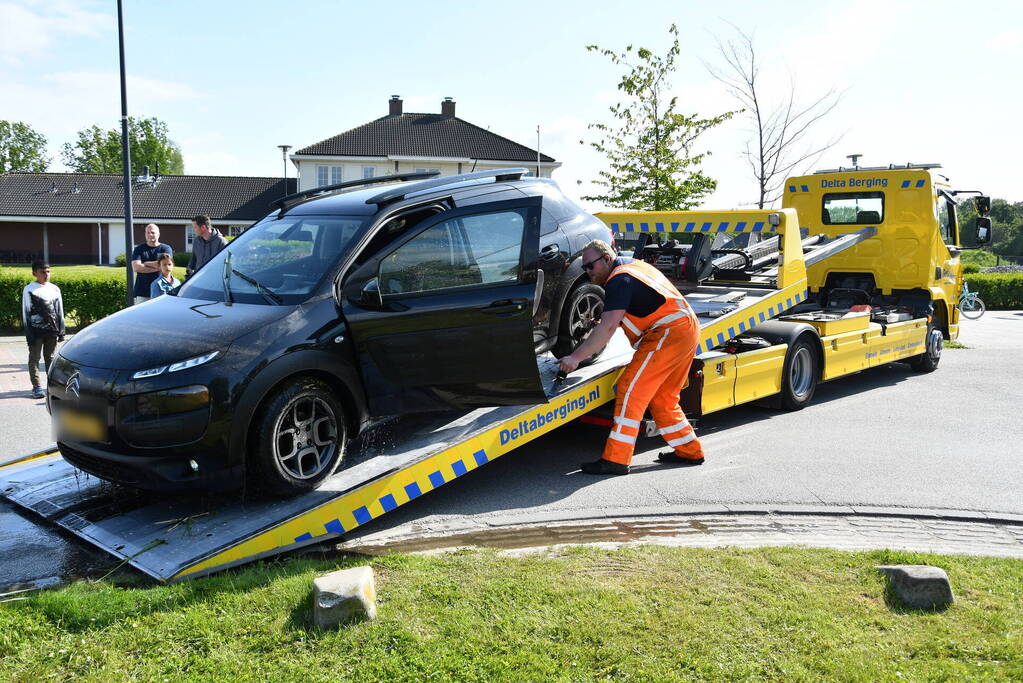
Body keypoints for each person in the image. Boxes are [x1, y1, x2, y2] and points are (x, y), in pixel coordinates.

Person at [559, 239, 705, 475]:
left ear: (606, 259)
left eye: (590, 266)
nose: (587, 273)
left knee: (630, 390)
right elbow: (641, 305)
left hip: (667, 333)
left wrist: (575, 357)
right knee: (663, 398)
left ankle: (616, 459)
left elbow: (607, 328)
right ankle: (689, 451)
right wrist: (607, 322)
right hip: (684, 329)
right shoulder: (631, 267)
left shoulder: (619, 280)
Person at [22, 260, 65, 399]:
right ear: (34, 273)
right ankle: (36, 386)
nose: (46, 274)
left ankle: (51, 385)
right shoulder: (29, 289)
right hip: (35, 331)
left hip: (52, 330)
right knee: (34, 358)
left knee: (51, 358)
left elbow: (60, 311)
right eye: (42, 272)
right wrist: (29, 335)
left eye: (48, 271)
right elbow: (26, 312)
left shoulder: (55, 289)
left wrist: (61, 331)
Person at [130, 223, 173, 304]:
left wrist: (145, 263)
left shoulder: (166, 248)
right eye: (147, 232)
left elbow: (167, 265)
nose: (150, 234)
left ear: (158, 234)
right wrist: (158, 266)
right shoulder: (139, 249)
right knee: (142, 316)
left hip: (162, 290)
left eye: (153, 232)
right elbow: (136, 267)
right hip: (142, 292)